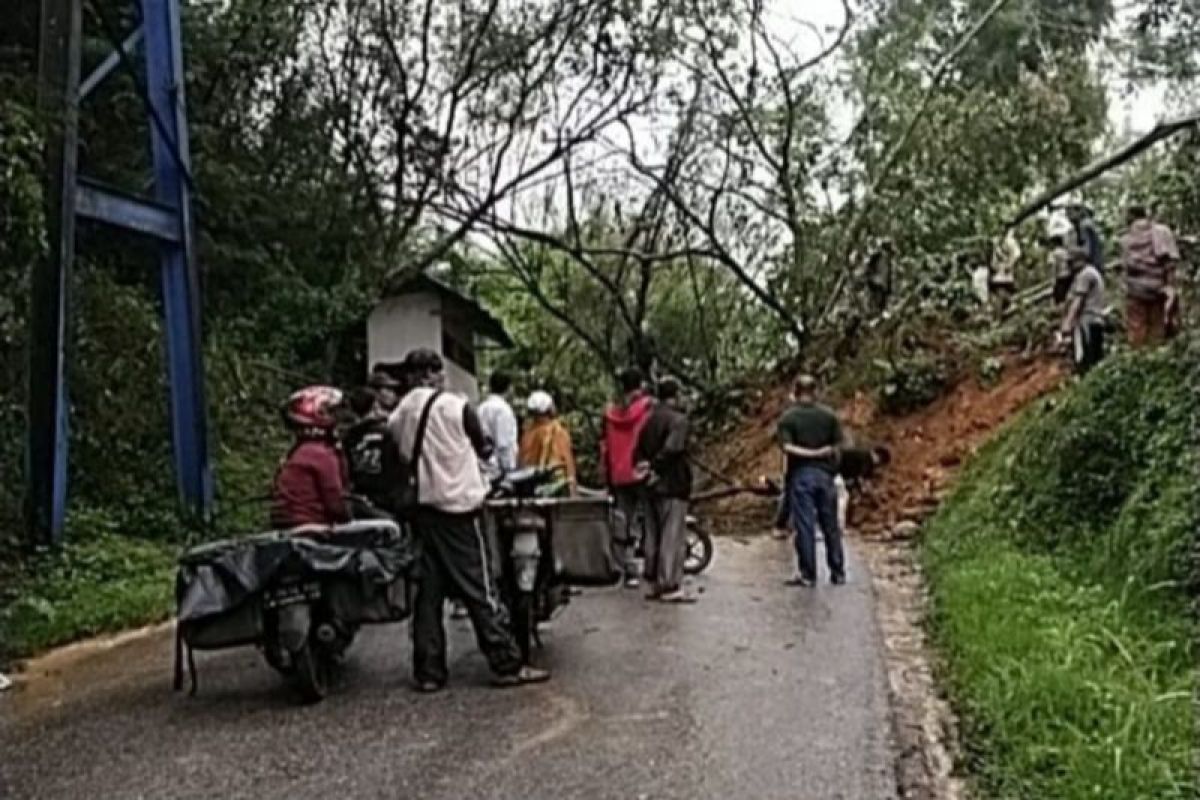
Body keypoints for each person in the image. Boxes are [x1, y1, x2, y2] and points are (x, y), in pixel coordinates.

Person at [388, 348, 548, 691]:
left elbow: (398, 455)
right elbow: (485, 447)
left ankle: (429, 672)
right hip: (459, 510)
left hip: (423, 512)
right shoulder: (455, 406)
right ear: (435, 374)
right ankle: (506, 662)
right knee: (480, 587)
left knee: (428, 595)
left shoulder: (399, 413)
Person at [776, 375, 845, 587]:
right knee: (830, 525)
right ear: (816, 392)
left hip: (801, 475)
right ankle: (837, 571)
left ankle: (808, 573)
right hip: (825, 476)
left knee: (805, 525)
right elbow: (838, 447)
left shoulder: (788, 418)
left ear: (795, 392)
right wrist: (824, 458)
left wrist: (808, 454)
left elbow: (786, 448)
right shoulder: (829, 416)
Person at [634, 377, 694, 603]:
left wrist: (644, 470)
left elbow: (637, 450)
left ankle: (652, 579)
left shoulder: (648, 421)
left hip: (649, 487)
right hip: (672, 484)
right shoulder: (679, 421)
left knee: (652, 534)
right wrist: (656, 468)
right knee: (672, 535)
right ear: (675, 395)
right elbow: (673, 448)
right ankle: (669, 583)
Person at [600, 368, 656, 588]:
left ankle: (625, 568)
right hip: (641, 471)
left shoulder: (611, 415)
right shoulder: (647, 409)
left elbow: (604, 447)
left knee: (623, 520)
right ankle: (652, 567)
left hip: (619, 474)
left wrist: (606, 472)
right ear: (640, 385)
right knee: (650, 520)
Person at [270, 386, 351, 529]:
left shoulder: (299, 451)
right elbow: (336, 504)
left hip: (289, 525)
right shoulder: (321, 454)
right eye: (331, 412)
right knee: (388, 528)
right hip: (312, 527)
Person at [342, 370, 406, 514]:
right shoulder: (391, 430)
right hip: (386, 499)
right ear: (375, 395)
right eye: (388, 389)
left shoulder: (349, 434)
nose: (393, 394)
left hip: (360, 498)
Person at [1120, 204, 1181, 347]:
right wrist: (1170, 286)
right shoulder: (1161, 231)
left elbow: (1126, 266)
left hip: (1135, 289)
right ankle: (1155, 358)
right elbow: (1169, 262)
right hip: (1157, 287)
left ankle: (1138, 359)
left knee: (1136, 328)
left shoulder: (1126, 238)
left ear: (1131, 216)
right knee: (1157, 327)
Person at [518, 390, 577, 494]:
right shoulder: (557, 431)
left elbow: (521, 462)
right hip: (556, 485)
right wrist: (572, 488)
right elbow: (567, 461)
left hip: (530, 486)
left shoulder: (528, 433)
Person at [1057, 252, 1106, 374]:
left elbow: (1078, 302)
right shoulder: (1090, 273)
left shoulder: (1085, 275)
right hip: (1095, 319)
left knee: (1085, 358)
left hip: (1087, 320)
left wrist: (1067, 324)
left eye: (1071, 263)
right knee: (1094, 357)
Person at [478, 371, 519, 482]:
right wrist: (509, 470)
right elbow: (503, 444)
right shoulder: (503, 410)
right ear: (509, 387)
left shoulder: (481, 408)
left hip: (484, 467)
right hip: (500, 471)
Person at [1067, 201, 1104, 273]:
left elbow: (1087, 251)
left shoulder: (1084, 225)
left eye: (1070, 213)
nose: (1068, 218)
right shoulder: (1088, 224)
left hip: (1092, 267)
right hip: (1096, 265)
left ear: (1079, 212)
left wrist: (1071, 249)